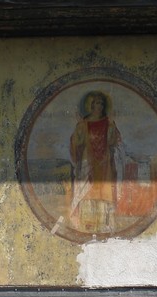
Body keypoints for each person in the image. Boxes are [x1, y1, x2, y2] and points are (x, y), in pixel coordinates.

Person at [68, 90, 124, 233]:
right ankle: (87, 225)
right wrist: (76, 137)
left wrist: (112, 129)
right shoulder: (83, 124)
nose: (99, 106)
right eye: (97, 103)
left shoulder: (109, 123)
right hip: (88, 162)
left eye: (102, 104)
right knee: (86, 191)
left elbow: (115, 141)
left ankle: (105, 225)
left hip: (105, 163)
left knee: (105, 192)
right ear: (90, 105)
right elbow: (76, 143)